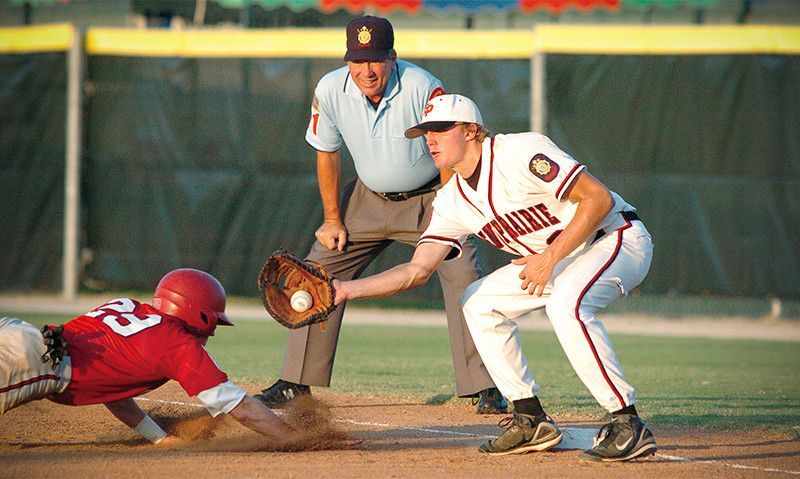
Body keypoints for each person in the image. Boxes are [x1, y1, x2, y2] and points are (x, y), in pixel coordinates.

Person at [332, 94, 658, 462]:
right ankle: (530, 418)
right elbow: (416, 270)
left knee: (566, 303)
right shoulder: (452, 199)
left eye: (440, 129)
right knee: (478, 301)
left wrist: (550, 256)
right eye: (425, 132)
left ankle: (627, 422)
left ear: (472, 130)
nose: (430, 140)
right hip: (560, 261)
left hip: (616, 238)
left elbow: (596, 199)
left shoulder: (519, 151)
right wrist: (342, 290)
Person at [254, 16, 506, 415]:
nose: (366, 70)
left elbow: (442, 145)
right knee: (315, 272)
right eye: (357, 60)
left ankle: (486, 385)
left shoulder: (423, 86)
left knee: (465, 278)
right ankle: (295, 382)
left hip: (429, 200)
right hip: (366, 200)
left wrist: (449, 204)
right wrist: (332, 218)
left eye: (374, 60)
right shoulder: (330, 89)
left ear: (392, 57)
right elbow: (327, 152)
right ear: (347, 59)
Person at [0, 269, 293, 445]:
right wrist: (294, 438)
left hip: (20, 333)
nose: (213, 332)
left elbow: (113, 387)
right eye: (213, 321)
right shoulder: (178, 345)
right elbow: (243, 409)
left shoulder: (127, 305)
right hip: (32, 362)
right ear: (197, 312)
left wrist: (158, 437)